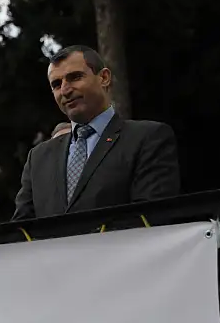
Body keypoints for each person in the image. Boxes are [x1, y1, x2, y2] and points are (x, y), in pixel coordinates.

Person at [12, 45, 180, 220]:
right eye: (56, 84)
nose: (65, 90)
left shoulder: (147, 138)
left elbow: (152, 220)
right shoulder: (38, 158)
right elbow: (21, 229)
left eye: (75, 77)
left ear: (104, 78)